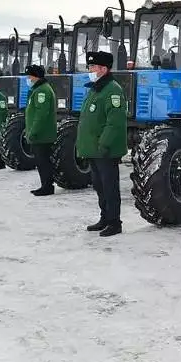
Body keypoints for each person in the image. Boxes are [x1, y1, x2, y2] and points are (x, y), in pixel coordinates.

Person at [76, 51, 127, 237]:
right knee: (99, 185)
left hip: (105, 150)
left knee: (109, 187)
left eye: (92, 67)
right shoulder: (95, 88)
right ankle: (105, 218)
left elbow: (114, 122)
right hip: (93, 149)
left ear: (103, 69)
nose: (89, 70)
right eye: (89, 67)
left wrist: (104, 144)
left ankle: (115, 222)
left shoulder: (112, 90)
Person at [23, 64, 57, 196]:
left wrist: (33, 132)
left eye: (29, 76)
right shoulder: (38, 90)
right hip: (39, 133)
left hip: (42, 134)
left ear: (36, 77)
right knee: (41, 161)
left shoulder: (42, 91)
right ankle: (45, 185)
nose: (28, 79)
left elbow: (41, 115)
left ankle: (47, 186)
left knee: (43, 162)